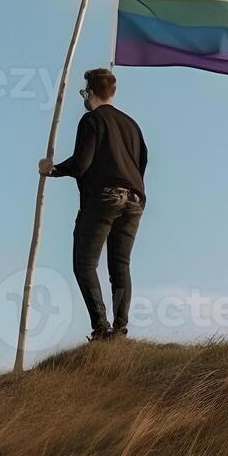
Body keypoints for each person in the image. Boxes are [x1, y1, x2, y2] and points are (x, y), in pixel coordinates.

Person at [39, 68, 147, 342]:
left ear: (90, 92)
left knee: (85, 263)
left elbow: (81, 163)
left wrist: (50, 170)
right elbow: (142, 162)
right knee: (120, 265)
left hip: (105, 196)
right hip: (135, 198)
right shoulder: (132, 125)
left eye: (84, 91)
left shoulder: (92, 119)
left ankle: (101, 328)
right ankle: (120, 330)